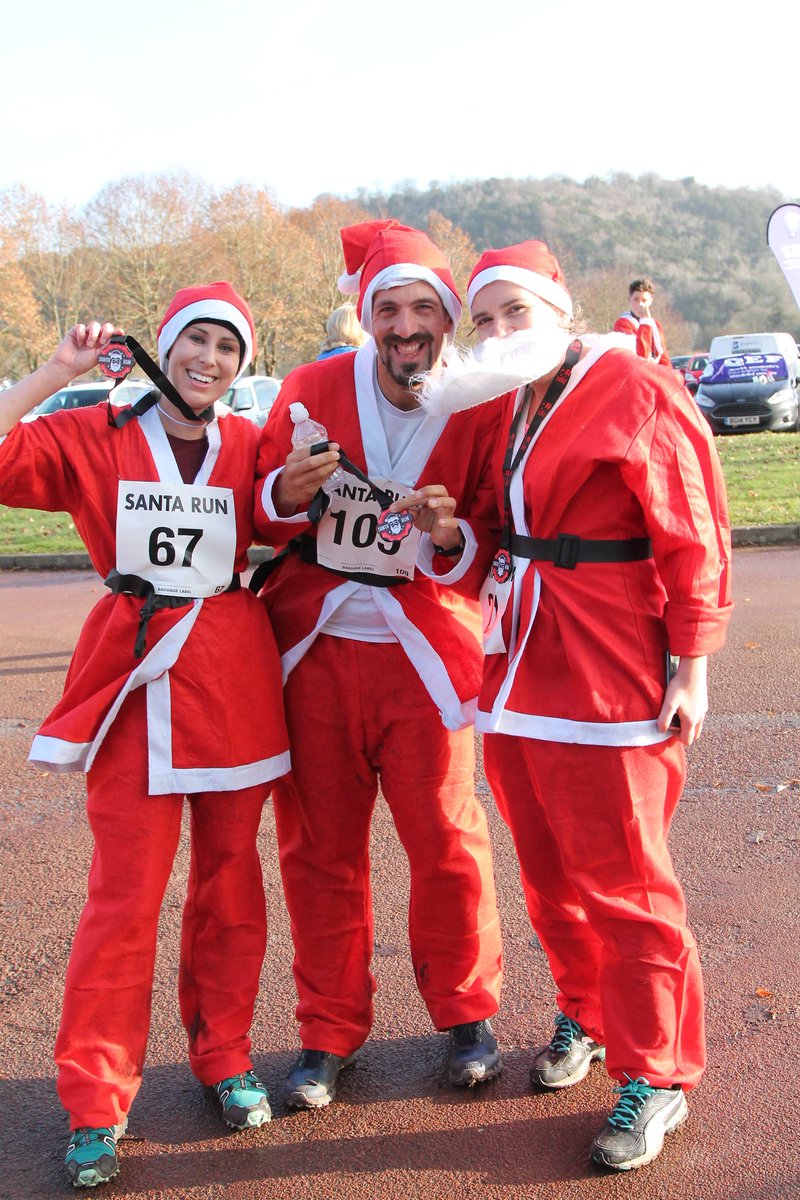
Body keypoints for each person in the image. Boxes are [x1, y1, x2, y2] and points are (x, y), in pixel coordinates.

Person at [413, 240, 732, 1172]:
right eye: (486, 319)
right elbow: (496, 542)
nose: (500, 331)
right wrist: (448, 533)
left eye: (516, 311)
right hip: (517, 676)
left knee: (629, 885)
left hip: (608, 674)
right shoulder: (511, 402)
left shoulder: (635, 388)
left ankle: (660, 1072)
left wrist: (693, 666)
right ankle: (589, 1012)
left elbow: (694, 531)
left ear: (557, 307)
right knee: (553, 873)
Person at [0, 283, 290, 1188]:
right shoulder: (99, 430)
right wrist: (55, 373)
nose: (208, 360)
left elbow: (288, 515)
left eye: (227, 349)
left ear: (241, 367)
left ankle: (226, 1054)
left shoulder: (249, 442)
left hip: (234, 675)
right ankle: (94, 1100)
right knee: (123, 900)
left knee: (232, 886)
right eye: (194, 341)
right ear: (165, 346)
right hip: (134, 681)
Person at [253, 219, 504, 1109]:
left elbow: (488, 534)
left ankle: (468, 1016)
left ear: (447, 320)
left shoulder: (481, 402)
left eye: (422, 309)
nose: (405, 326)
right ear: (369, 317)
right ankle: (326, 1032)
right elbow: (257, 505)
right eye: (388, 308)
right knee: (318, 850)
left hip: (425, 650)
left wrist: (449, 536)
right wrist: (282, 496)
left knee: (445, 836)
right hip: (316, 651)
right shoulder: (313, 384)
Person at [613, 276, 671, 365]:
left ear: (650, 301)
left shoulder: (656, 324)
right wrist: (645, 321)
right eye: (636, 299)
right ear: (629, 300)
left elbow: (663, 355)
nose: (640, 304)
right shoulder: (623, 324)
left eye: (644, 300)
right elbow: (641, 355)